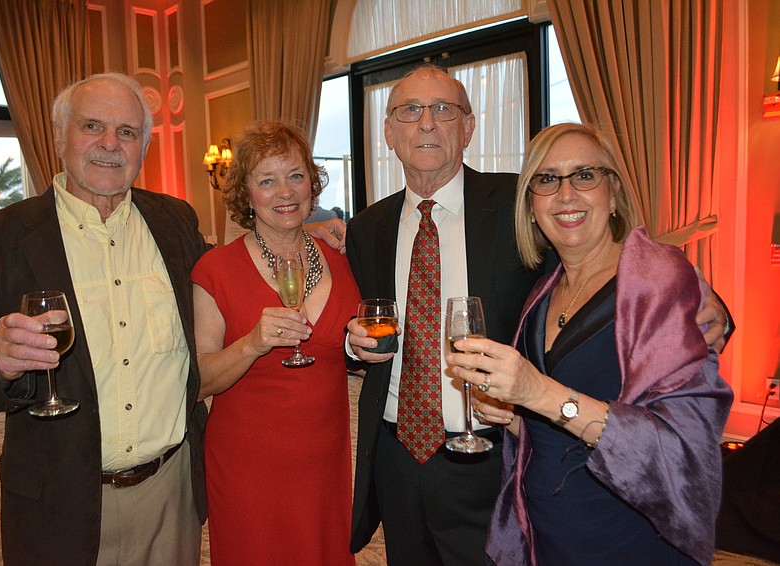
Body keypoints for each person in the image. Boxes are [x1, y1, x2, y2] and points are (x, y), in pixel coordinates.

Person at [0, 73, 345, 566]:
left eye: (127, 132)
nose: (110, 144)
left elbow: (237, 264)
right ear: (59, 136)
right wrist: (0, 363)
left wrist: (306, 230)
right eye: (92, 126)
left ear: (144, 148)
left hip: (170, 494)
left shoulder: (173, 221)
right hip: (63, 501)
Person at [344, 65, 731, 566]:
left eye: (443, 109)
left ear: (468, 126)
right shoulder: (366, 228)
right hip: (396, 456)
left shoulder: (524, 202)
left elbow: (609, 254)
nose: (426, 123)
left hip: (492, 454)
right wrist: (353, 345)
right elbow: (359, 321)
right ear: (389, 132)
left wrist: (705, 298)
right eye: (410, 111)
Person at [448, 122, 734, 565]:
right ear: (530, 206)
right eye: (547, 179)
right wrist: (515, 418)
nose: (566, 194)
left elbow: (683, 453)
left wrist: (538, 392)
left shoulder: (655, 281)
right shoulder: (544, 291)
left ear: (613, 192)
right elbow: (560, 433)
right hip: (549, 534)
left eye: (584, 175)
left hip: (626, 536)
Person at [191, 121, 360, 566]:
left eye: (296, 175)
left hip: (326, 464)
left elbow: (355, 347)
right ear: (246, 194)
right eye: (267, 180)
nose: (285, 191)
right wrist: (251, 344)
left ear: (312, 184)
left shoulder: (344, 258)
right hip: (249, 469)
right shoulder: (215, 270)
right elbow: (199, 380)